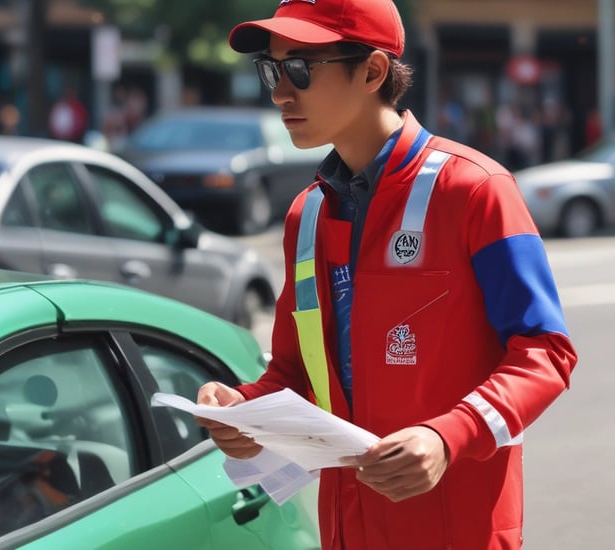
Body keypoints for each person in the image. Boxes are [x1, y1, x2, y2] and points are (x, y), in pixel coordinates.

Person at [196, 1, 578, 548]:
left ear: (373, 71)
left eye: (299, 69)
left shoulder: (476, 189)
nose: (280, 92)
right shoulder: (307, 215)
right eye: (272, 70)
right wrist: (246, 410)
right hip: (347, 527)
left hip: (457, 529)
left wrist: (447, 437)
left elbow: (546, 352)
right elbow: (296, 373)